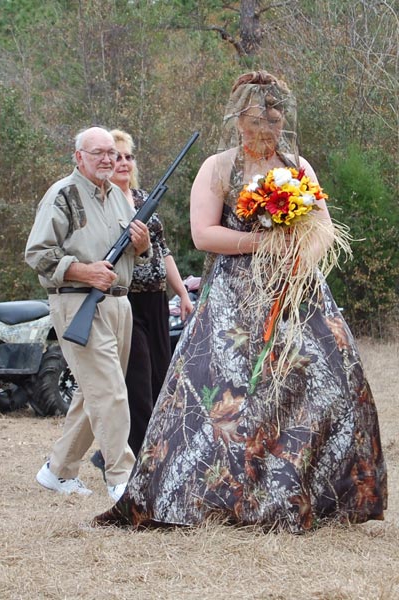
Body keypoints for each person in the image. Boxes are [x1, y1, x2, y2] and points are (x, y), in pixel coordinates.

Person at [94, 72, 387, 531]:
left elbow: (323, 226)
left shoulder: (299, 166)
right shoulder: (218, 167)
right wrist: (263, 246)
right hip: (235, 296)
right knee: (222, 394)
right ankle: (221, 495)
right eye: (255, 122)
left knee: (326, 378)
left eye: (272, 122)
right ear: (238, 122)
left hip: (296, 291)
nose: (264, 131)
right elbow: (203, 233)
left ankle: (304, 489)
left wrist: (298, 259)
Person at [25, 126, 151, 502]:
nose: (108, 159)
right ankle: (122, 478)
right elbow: (38, 254)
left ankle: (58, 471)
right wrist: (85, 271)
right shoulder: (62, 195)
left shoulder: (118, 197)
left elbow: (132, 251)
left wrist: (141, 245)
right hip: (77, 300)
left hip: (117, 303)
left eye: (112, 153)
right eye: (97, 153)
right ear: (78, 157)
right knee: (110, 392)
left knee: (92, 393)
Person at [91, 128, 193, 471]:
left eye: (127, 156)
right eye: (115, 156)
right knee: (136, 382)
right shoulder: (102, 203)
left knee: (159, 377)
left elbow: (163, 254)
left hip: (155, 300)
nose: (122, 162)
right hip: (124, 300)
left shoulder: (144, 198)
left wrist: (180, 293)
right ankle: (138, 459)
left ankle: (119, 452)